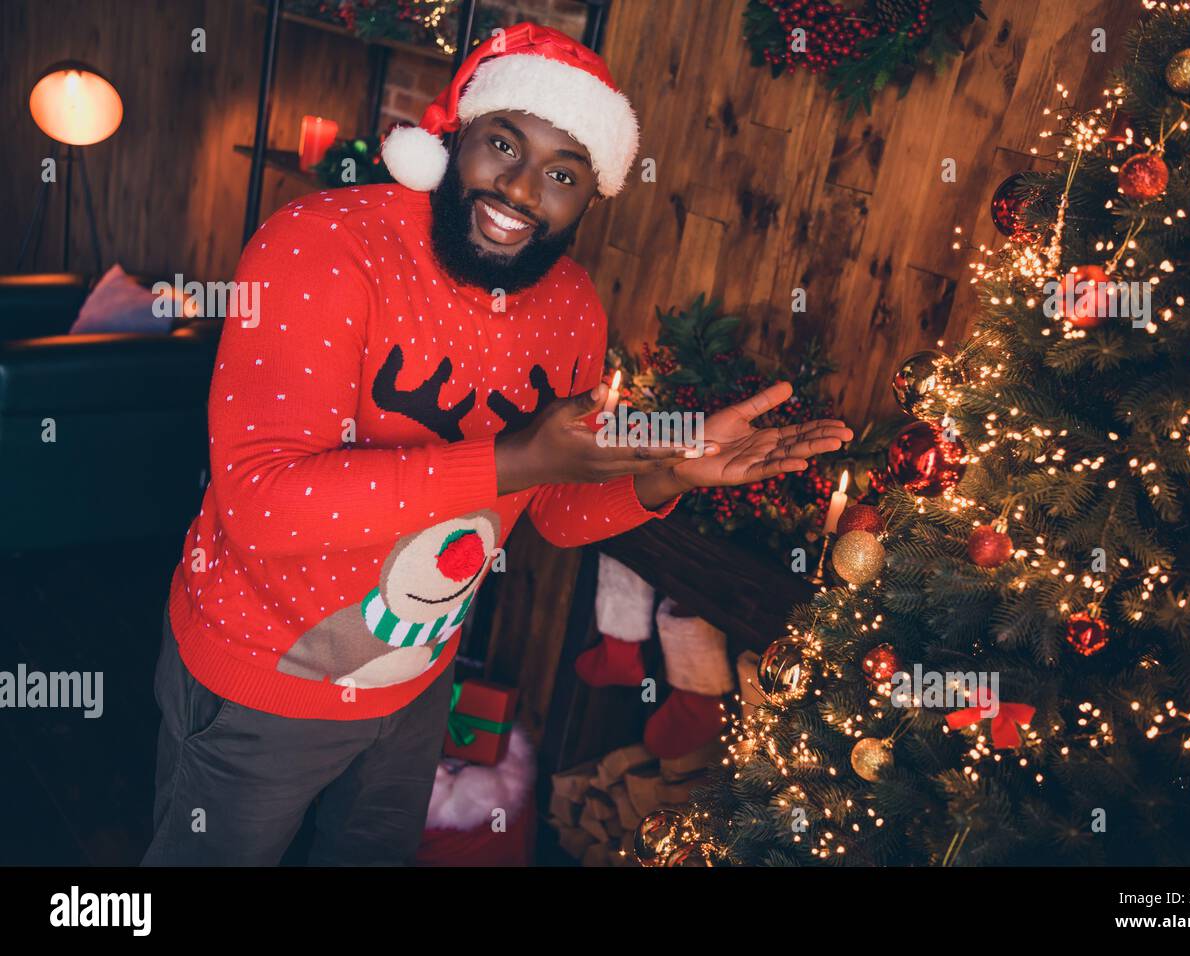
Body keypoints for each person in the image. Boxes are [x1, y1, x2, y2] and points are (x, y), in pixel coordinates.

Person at [142, 21, 852, 866]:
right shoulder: (322, 245)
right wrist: (512, 459)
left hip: (412, 683)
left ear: (591, 195)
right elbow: (262, 505)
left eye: (562, 173)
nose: (520, 189)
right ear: (455, 138)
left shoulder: (573, 308)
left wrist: (670, 470)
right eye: (503, 144)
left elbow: (552, 510)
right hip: (262, 682)